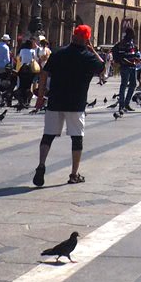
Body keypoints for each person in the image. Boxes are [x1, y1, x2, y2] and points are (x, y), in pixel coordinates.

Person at [33, 24, 104, 187]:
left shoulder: (58, 52)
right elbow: (102, 68)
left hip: (55, 101)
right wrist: (92, 50)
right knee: (77, 138)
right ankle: (73, 174)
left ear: (73, 37)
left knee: (48, 135)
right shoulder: (89, 57)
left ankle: (42, 164)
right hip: (76, 104)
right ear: (87, 40)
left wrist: (40, 96)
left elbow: (44, 73)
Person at [113, 26, 141, 114]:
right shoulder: (122, 43)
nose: (134, 35)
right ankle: (121, 105)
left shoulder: (131, 43)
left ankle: (127, 103)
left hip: (133, 67)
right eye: (133, 33)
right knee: (124, 85)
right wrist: (130, 63)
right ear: (129, 34)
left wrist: (137, 59)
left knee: (133, 84)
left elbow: (133, 54)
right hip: (125, 67)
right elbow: (122, 57)